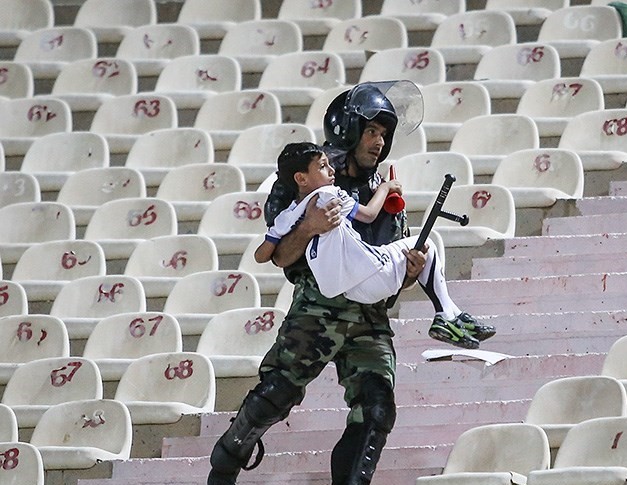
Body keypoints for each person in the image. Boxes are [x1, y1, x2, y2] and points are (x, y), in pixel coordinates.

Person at [206, 81, 491, 485]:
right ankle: (228, 457)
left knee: (376, 410)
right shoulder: (307, 179)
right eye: (372, 131)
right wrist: (309, 226)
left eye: (384, 134)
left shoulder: (385, 192)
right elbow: (281, 257)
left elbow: (392, 277)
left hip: (369, 317)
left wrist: (410, 271)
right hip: (317, 309)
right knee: (277, 393)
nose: (379, 141)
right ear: (349, 128)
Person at [257, 141, 496, 349]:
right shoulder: (331, 194)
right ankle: (446, 314)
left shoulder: (289, 213)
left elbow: (263, 255)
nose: (331, 170)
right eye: (322, 166)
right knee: (427, 246)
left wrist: (300, 231)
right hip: (369, 274)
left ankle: (452, 314)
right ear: (301, 178)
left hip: (345, 287)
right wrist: (385, 187)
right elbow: (369, 215)